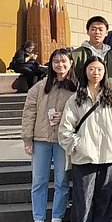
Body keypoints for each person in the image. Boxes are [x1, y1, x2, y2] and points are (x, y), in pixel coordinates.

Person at [59, 56, 112, 222]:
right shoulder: (76, 98)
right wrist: (78, 145)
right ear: (85, 71)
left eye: (99, 69)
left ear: (105, 71)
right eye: (92, 69)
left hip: (108, 155)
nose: (95, 73)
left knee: (104, 200)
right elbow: (65, 129)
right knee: (82, 201)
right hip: (84, 157)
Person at [21, 48, 77, 222]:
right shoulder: (40, 86)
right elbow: (29, 112)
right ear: (51, 64)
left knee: (61, 181)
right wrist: (27, 139)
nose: (60, 65)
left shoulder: (77, 87)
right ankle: (38, 217)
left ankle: (57, 217)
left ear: (71, 63)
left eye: (63, 61)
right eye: (56, 62)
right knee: (39, 181)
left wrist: (67, 116)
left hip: (63, 141)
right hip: (41, 140)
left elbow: (81, 114)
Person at [72, 16, 112, 88]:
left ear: (106, 33)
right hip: (83, 94)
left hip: (107, 95)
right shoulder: (76, 54)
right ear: (88, 32)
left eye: (101, 29)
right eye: (93, 29)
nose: (97, 32)